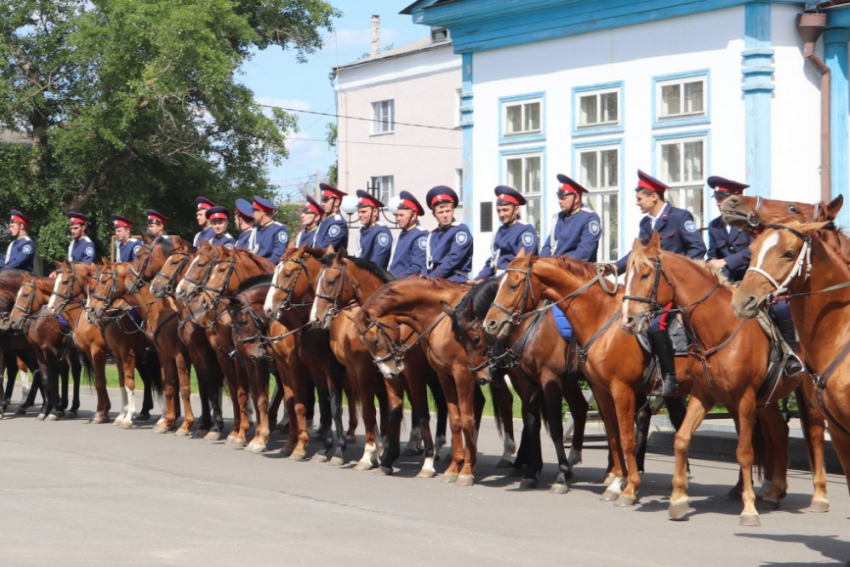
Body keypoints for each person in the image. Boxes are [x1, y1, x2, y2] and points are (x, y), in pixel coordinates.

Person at [614, 170, 707, 396]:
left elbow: (697, 249)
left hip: (674, 288)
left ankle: (669, 378)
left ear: (654, 196)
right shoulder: (646, 223)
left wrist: (674, 267)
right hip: (652, 289)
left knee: (656, 324)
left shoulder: (679, 217)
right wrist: (613, 268)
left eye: (640, 198)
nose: (637, 203)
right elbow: (639, 254)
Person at [705, 175, 803, 375]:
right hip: (730, 283)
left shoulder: (754, 222)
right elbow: (713, 255)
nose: (717, 201)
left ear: (737, 198)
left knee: (781, 308)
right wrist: (712, 266)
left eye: (722, 197)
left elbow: (760, 250)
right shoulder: (715, 226)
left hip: (758, 280)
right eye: (716, 197)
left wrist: (727, 261)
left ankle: (790, 355)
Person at [472, 185, 538, 281]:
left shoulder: (525, 230)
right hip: (497, 279)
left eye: (505, 210)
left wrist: (491, 282)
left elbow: (521, 263)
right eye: (498, 211)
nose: (501, 214)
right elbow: (492, 261)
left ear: (516, 209)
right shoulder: (499, 232)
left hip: (514, 281)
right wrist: (478, 279)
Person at [540, 174, 601, 261]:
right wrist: (540, 262)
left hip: (579, 270)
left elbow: (584, 251)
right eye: (559, 198)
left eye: (563, 198)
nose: (559, 202)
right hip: (556, 268)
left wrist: (558, 265)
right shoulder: (557, 217)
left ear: (576, 197)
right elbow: (549, 245)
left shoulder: (589, 218)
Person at [422, 185, 473, 282]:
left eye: (448, 211)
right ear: (434, 215)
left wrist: (429, 279)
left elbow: (453, 259)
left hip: (454, 279)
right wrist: (422, 277)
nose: (445, 215)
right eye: (440, 212)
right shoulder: (432, 235)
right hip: (435, 279)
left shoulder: (460, 231)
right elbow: (427, 262)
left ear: (453, 211)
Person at [388, 191, 428, 279]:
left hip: (405, 285)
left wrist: (394, 279)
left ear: (413, 216)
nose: (398, 218)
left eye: (401, 215)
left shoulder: (420, 235)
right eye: (397, 215)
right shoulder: (399, 235)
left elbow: (416, 268)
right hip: (392, 282)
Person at [355, 190, 393, 269]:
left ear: (375, 211)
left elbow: (377, 262)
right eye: (358, 212)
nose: (360, 215)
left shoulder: (381, 231)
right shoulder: (361, 230)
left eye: (363, 212)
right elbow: (358, 256)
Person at [252, 195, 288, 263]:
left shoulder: (279, 229)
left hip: (270, 269)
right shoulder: (256, 230)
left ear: (261, 212)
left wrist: (260, 266)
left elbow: (278, 255)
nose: (253, 214)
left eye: (254, 211)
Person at [314, 183, 349, 250]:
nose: (323, 204)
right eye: (322, 201)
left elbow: (325, 248)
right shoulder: (327, 220)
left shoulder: (338, 223)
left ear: (336, 202)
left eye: (326, 201)